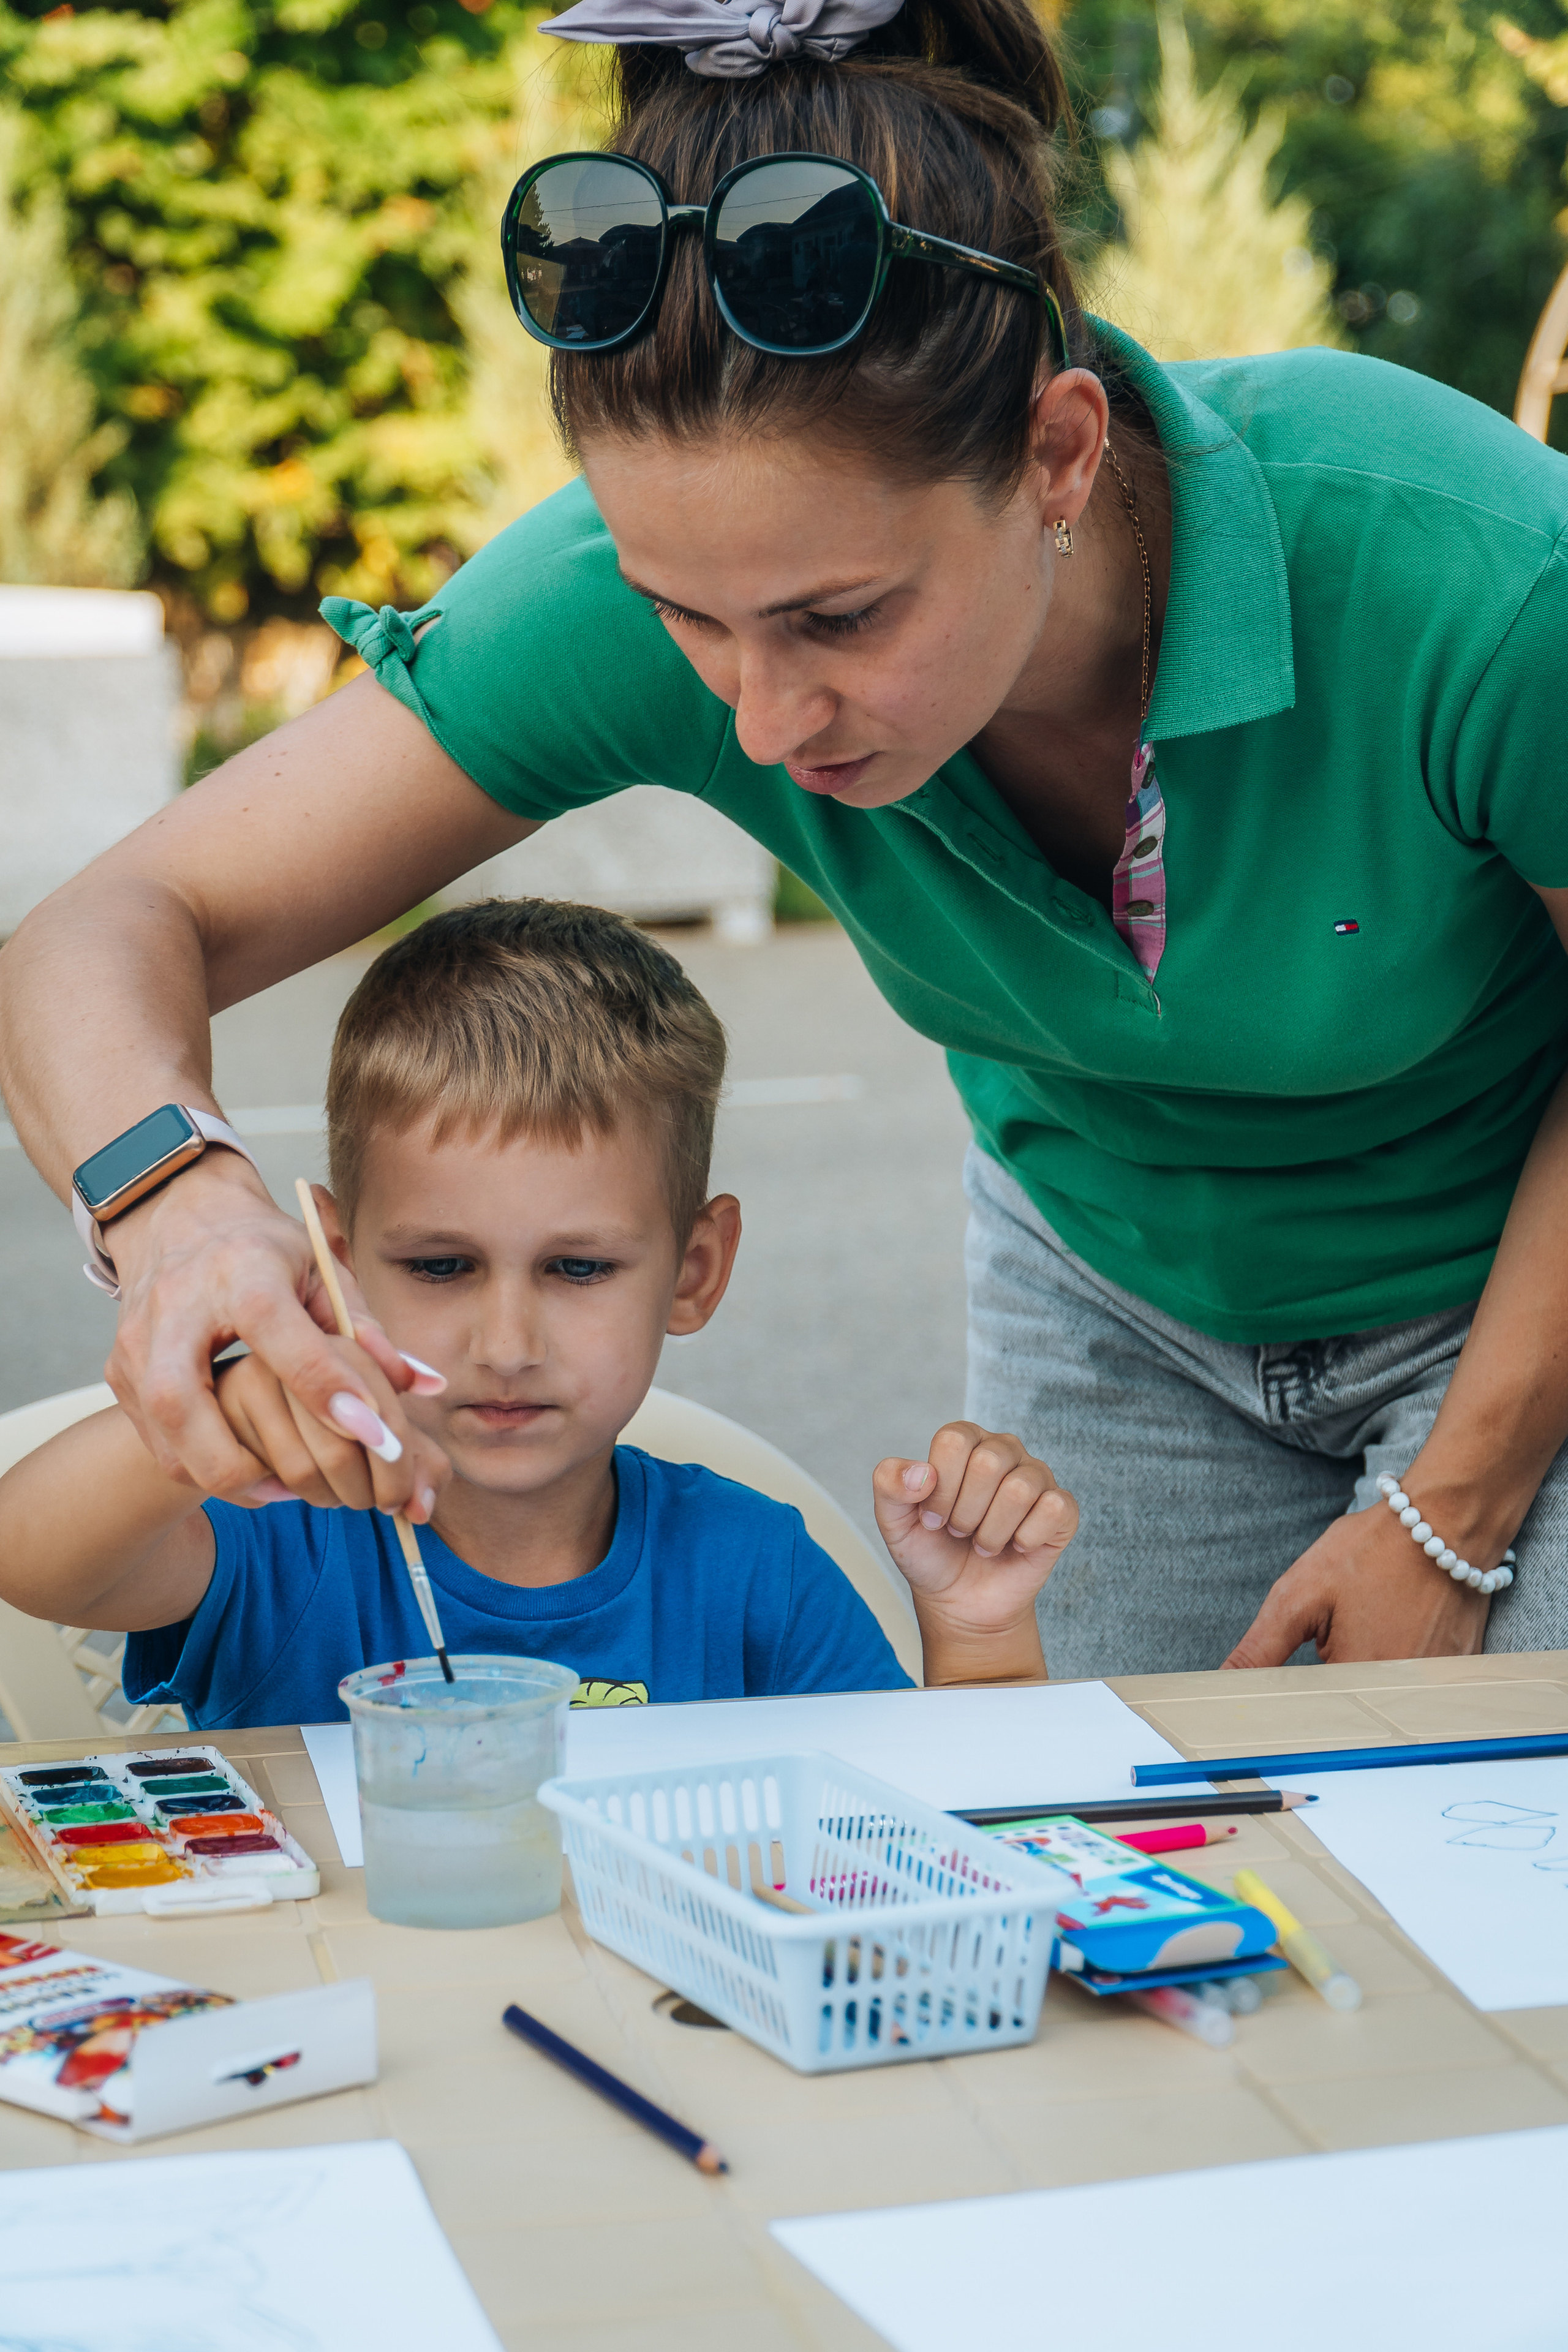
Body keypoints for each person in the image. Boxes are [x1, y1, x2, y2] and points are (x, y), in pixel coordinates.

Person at [4, 2, 1568, 1683]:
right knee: (1126, 1825)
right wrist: (177, 1207)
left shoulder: (1468, 573)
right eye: (687, 619)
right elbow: (108, 925)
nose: (762, 721)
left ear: (1057, 453)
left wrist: (1452, 1504)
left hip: (1515, 1283)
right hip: (1121, 1297)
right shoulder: (645, 593)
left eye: (841, 617)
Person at [0, 901, 1076, 1724]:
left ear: (694, 1272)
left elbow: (919, 1837)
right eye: (439, 1266)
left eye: (577, 1269)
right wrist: (219, 1417)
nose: (506, 1346)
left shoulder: (754, 1573)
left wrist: (981, 1642)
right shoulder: (285, 1536)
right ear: (331, 1265)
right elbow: (30, 1554)